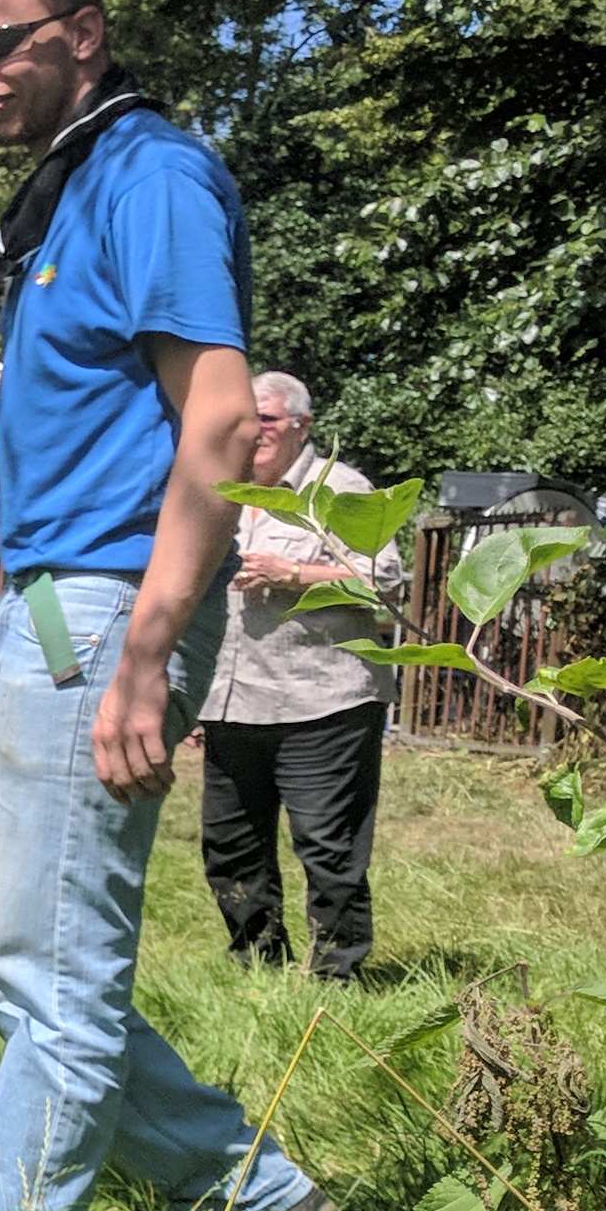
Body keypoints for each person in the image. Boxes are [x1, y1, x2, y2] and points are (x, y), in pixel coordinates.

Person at [0, 0, 335, 1211]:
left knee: (56, 969)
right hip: (38, 604)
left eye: (4, 43)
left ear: (84, 34)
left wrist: (149, 647)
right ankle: (251, 1189)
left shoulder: (150, 174)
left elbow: (216, 412)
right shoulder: (69, 190)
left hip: (102, 605)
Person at [200, 372, 401, 984]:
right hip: (232, 703)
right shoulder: (220, 490)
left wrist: (293, 571)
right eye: (246, 418)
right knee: (231, 846)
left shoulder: (339, 490)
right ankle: (257, 965)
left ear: (299, 426)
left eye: (266, 419)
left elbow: (385, 580)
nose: (253, 432)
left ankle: (337, 977)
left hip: (323, 702)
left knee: (328, 847)